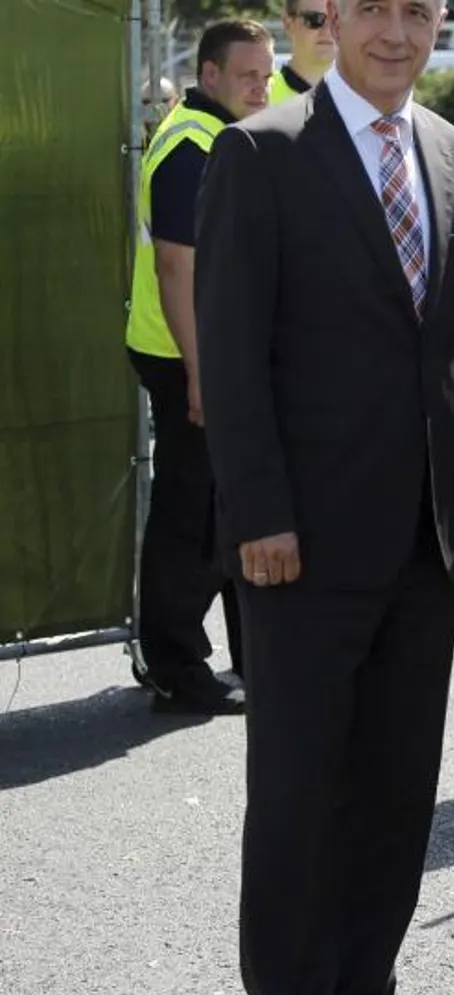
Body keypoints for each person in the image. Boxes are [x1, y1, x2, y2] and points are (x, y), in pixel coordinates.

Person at [194, 0, 454, 995]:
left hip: (428, 537)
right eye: (374, 7)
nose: (396, 31)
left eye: (418, 11)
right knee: (296, 788)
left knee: (394, 788)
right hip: (302, 546)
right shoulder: (258, 152)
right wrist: (260, 516)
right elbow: (231, 358)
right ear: (332, 18)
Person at [124, 17, 273, 715]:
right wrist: (200, 372)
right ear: (209, 74)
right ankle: (177, 667)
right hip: (183, 352)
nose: (261, 86)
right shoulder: (191, 145)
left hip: (201, 350)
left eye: (266, 73)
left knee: (214, 507)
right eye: (247, 75)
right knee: (190, 517)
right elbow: (175, 267)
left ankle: (214, 657)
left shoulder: (213, 133)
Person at [269, 0, 336, 103]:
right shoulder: (261, 96)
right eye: (314, 19)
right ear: (288, 24)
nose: (327, 30)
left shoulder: (364, 97)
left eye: (336, 19)